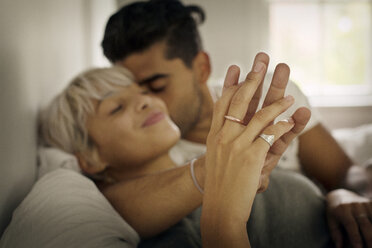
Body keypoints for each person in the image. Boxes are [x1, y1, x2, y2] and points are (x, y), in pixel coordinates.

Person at [101, 1, 372, 247]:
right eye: (131, 91)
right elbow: (106, 210)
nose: (145, 103)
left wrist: (344, 194)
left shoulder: (270, 99)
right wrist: (220, 167)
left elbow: (344, 171)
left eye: (156, 86)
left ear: (202, 68)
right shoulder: (146, 146)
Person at [37, 64, 331, 247]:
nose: (144, 102)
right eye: (116, 107)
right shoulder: (170, 232)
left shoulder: (209, 159)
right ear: (90, 159)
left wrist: (338, 197)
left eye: (142, 91)